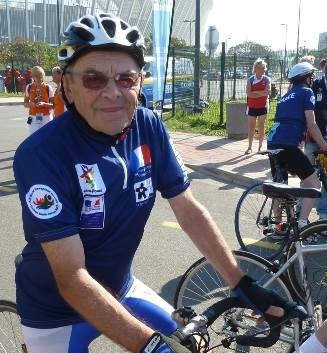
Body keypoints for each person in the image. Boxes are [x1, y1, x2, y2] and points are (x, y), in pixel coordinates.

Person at [14, 13, 294, 353]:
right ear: (68, 87)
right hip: (55, 310)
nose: (113, 92)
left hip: (121, 287)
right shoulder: (42, 153)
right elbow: (72, 278)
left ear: (141, 80)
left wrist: (241, 282)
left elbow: (189, 210)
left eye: (126, 78)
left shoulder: (148, 126)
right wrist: (148, 345)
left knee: (190, 345)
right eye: (93, 79)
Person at [267, 62, 327, 229]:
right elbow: (312, 123)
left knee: (280, 186)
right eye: (311, 75)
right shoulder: (307, 92)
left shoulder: (286, 96)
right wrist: (323, 144)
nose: (313, 78)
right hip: (287, 145)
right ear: (306, 77)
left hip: (273, 142)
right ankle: (302, 225)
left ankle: (276, 225)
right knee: (314, 185)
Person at [304, 58, 327, 219]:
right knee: (307, 174)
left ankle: (323, 215)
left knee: (325, 178)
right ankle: (300, 212)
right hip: (315, 137)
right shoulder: (316, 84)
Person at [245, 58, 271, 154]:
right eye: (261, 68)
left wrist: (255, 92)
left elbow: (267, 92)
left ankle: (260, 147)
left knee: (261, 126)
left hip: (263, 106)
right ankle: (249, 147)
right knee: (251, 127)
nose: (264, 70)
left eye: (264, 68)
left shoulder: (267, 79)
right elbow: (249, 94)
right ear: (256, 68)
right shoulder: (250, 79)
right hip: (251, 106)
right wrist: (261, 93)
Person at [23, 65, 54, 135]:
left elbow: (54, 105)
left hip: (46, 117)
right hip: (33, 117)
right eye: (37, 76)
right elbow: (25, 103)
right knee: (33, 138)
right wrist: (30, 104)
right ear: (33, 77)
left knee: (47, 138)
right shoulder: (29, 87)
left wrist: (44, 104)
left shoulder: (48, 88)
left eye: (41, 76)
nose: (40, 79)